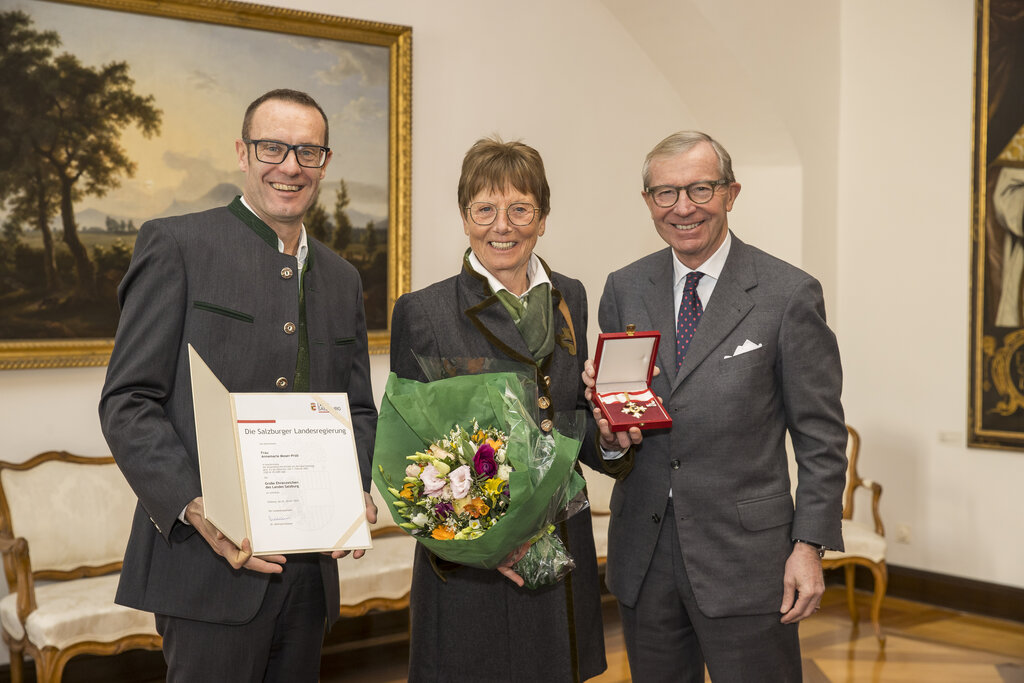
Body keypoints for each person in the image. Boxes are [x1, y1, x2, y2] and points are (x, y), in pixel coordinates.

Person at [98, 89, 378, 682]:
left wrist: (350, 490)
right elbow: (128, 401)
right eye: (273, 147)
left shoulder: (343, 278)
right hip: (203, 572)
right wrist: (198, 508)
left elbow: (356, 408)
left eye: (308, 151)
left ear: (324, 163)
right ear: (243, 153)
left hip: (309, 578)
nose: (290, 166)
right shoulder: (177, 245)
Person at [581, 130, 847, 682]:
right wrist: (608, 431)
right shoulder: (624, 288)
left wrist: (809, 546)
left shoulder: (787, 294)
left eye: (700, 189)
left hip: (749, 562)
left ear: (731, 192)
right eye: (665, 193)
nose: (683, 208)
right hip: (644, 555)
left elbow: (821, 438)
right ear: (648, 202)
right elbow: (616, 436)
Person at [389, 136, 606, 682]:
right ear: (465, 218)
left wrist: (614, 433)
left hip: (560, 534)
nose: (501, 226)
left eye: (520, 209)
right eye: (484, 209)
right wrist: (489, 546)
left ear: (543, 218)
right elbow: (412, 454)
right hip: (468, 557)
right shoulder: (424, 312)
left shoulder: (570, 297)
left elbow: (568, 410)